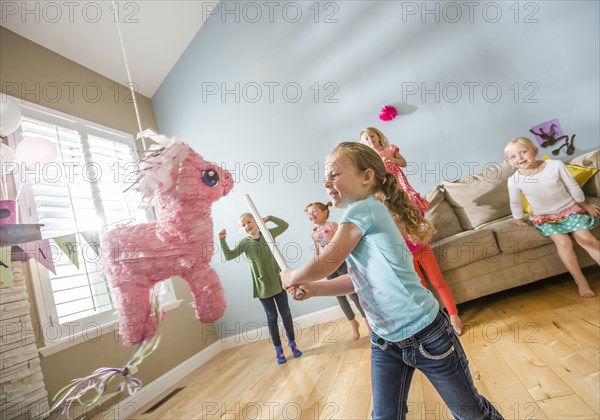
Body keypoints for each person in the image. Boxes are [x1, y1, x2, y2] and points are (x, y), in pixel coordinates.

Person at [282, 142, 503, 419]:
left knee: (471, 414)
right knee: (384, 416)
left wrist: (293, 275)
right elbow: (358, 281)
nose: (327, 182)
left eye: (334, 174)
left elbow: (330, 259)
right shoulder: (360, 218)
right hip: (385, 340)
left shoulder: (363, 210)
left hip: (427, 335)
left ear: (366, 177)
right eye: (325, 177)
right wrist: (313, 289)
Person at [360, 127, 463, 334]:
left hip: (404, 196)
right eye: (365, 139)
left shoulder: (390, 150)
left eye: (372, 136)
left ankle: (454, 317)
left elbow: (403, 163)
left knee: (436, 280)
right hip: (403, 243)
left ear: (378, 136)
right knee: (421, 285)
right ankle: (435, 322)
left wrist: (391, 162)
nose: (370, 140)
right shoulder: (370, 165)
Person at [505, 137, 600, 298]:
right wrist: (518, 218)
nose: (519, 158)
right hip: (545, 217)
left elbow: (572, 186)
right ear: (509, 162)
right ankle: (580, 281)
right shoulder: (514, 180)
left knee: (585, 238)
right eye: (513, 156)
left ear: (535, 151)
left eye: (523, 152)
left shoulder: (555, 166)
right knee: (564, 243)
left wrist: (584, 205)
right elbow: (514, 201)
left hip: (569, 209)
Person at [218, 214, 302, 364]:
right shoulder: (245, 243)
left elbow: (284, 225)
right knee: (272, 317)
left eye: (249, 222)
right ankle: (278, 350)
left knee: (286, 313)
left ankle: (293, 344)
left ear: (256, 222)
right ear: (241, 229)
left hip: (279, 281)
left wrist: (269, 218)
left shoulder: (268, 234)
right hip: (262, 286)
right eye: (243, 225)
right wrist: (222, 239)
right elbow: (229, 255)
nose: (246, 226)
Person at [305, 201, 370, 340]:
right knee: (339, 296)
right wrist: (317, 264)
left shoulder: (332, 225)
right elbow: (317, 250)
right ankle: (353, 323)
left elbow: (341, 242)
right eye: (309, 214)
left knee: (353, 293)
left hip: (340, 262)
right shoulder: (313, 233)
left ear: (324, 212)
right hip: (327, 267)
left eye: (314, 211)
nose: (311, 215)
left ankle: (367, 321)